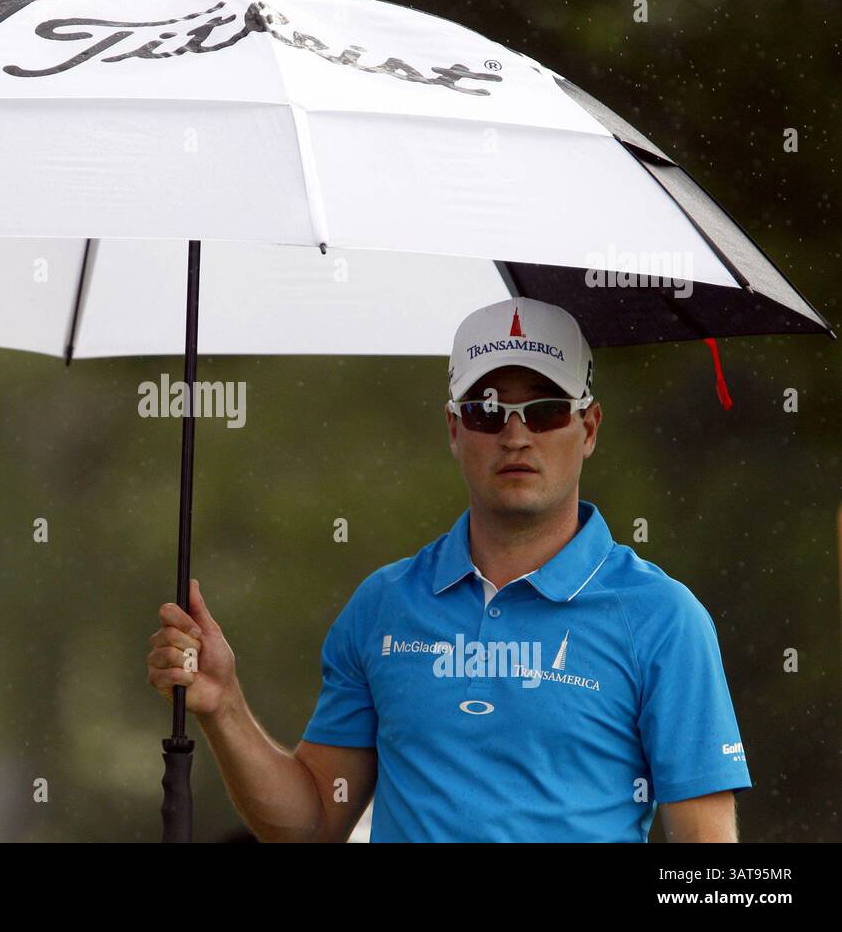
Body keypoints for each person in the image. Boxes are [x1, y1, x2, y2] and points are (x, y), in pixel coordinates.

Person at [146, 297, 752, 842]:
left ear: (587, 428)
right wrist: (223, 705)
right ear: (455, 429)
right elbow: (310, 823)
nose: (515, 436)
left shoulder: (664, 618)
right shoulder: (383, 604)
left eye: (544, 413)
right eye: (487, 411)